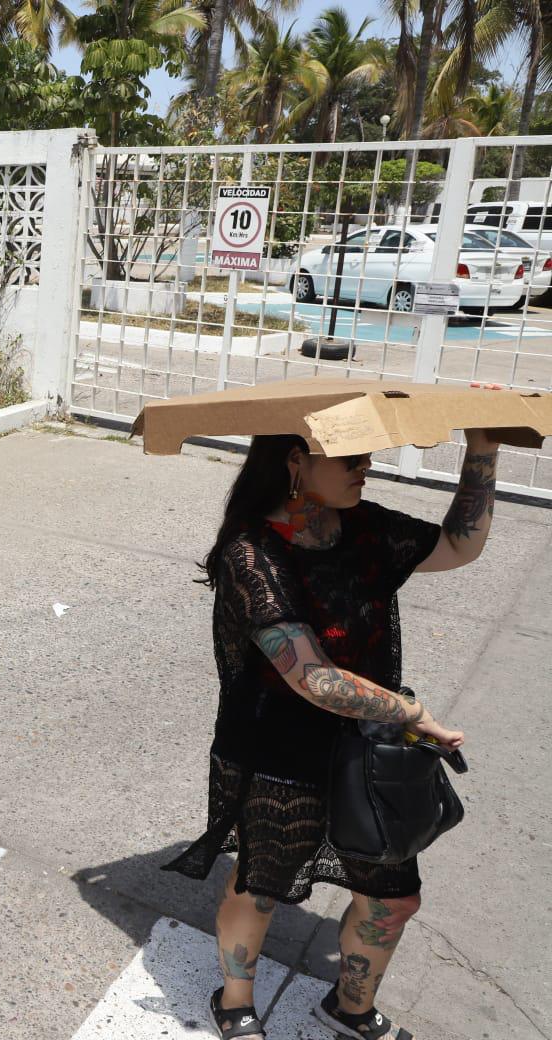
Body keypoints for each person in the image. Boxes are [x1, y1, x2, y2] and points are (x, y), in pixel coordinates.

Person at [164, 433, 497, 1040]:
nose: (367, 466)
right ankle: (235, 998)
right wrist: (410, 713)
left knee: (393, 899)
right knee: (259, 883)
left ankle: (350, 1006)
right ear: (296, 462)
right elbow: (311, 676)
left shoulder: (362, 526)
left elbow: (457, 546)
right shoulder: (250, 553)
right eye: (351, 456)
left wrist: (484, 449)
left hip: (365, 754)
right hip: (275, 751)